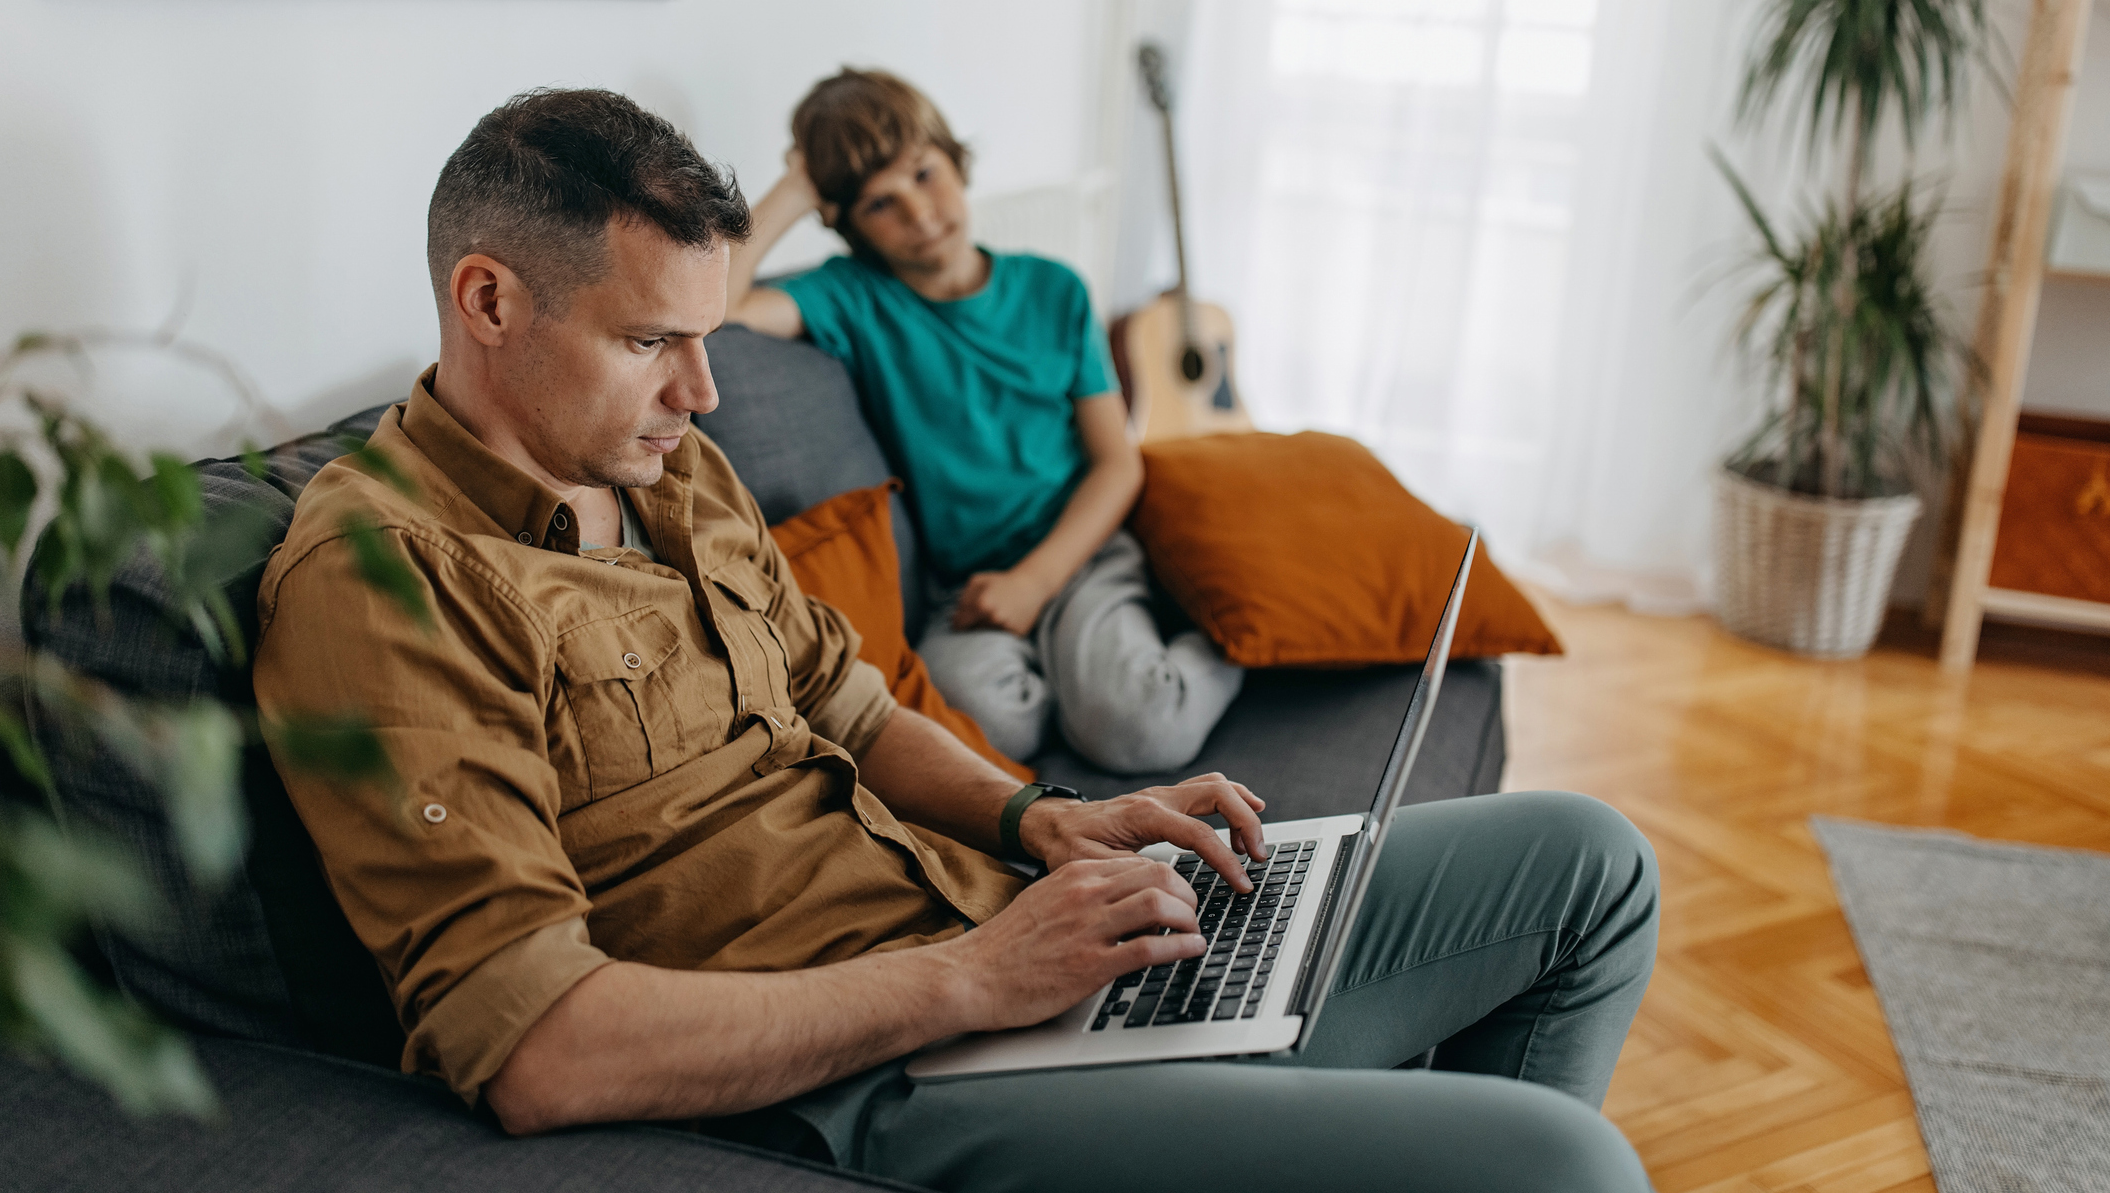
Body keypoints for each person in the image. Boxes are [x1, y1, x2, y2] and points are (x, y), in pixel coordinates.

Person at [253, 87, 1659, 1193]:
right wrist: (975, 980)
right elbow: (537, 1049)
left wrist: (1049, 819)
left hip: (1001, 930)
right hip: (888, 1070)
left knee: (1591, 865)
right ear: (489, 301)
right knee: (1568, 1168)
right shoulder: (381, 581)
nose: (704, 386)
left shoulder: (664, 462)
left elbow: (850, 708)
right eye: (650, 342)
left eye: (708, 335)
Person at [726, 68, 1241, 775]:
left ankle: (1225, 643)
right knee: (982, 729)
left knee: (1140, 729)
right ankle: (1077, 679)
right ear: (845, 222)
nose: (917, 212)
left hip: (1079, 554)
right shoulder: (850, 297)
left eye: (925, 175)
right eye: (881, 202)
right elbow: (713, 305)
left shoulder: (1055, 290)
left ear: (957, 163)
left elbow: (1118, 462)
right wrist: (793, 188)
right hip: (965, 587)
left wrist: (1036, 581)